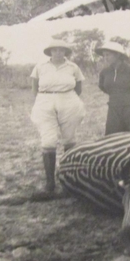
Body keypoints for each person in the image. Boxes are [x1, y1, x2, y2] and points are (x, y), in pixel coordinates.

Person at [30, 39, 85, 194]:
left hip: (68, 100)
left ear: (65, 52)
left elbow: (78, 88)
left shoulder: (73, 67)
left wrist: (65, 99)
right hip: (45, 101)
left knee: (69, 139)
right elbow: (34, 87)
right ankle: (50, 183)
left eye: (61, 50)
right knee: (48, 140)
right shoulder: (40, 66)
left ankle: (70, 180)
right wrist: (45, 99)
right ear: (50, 52)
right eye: (55, 50)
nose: (58, 53)